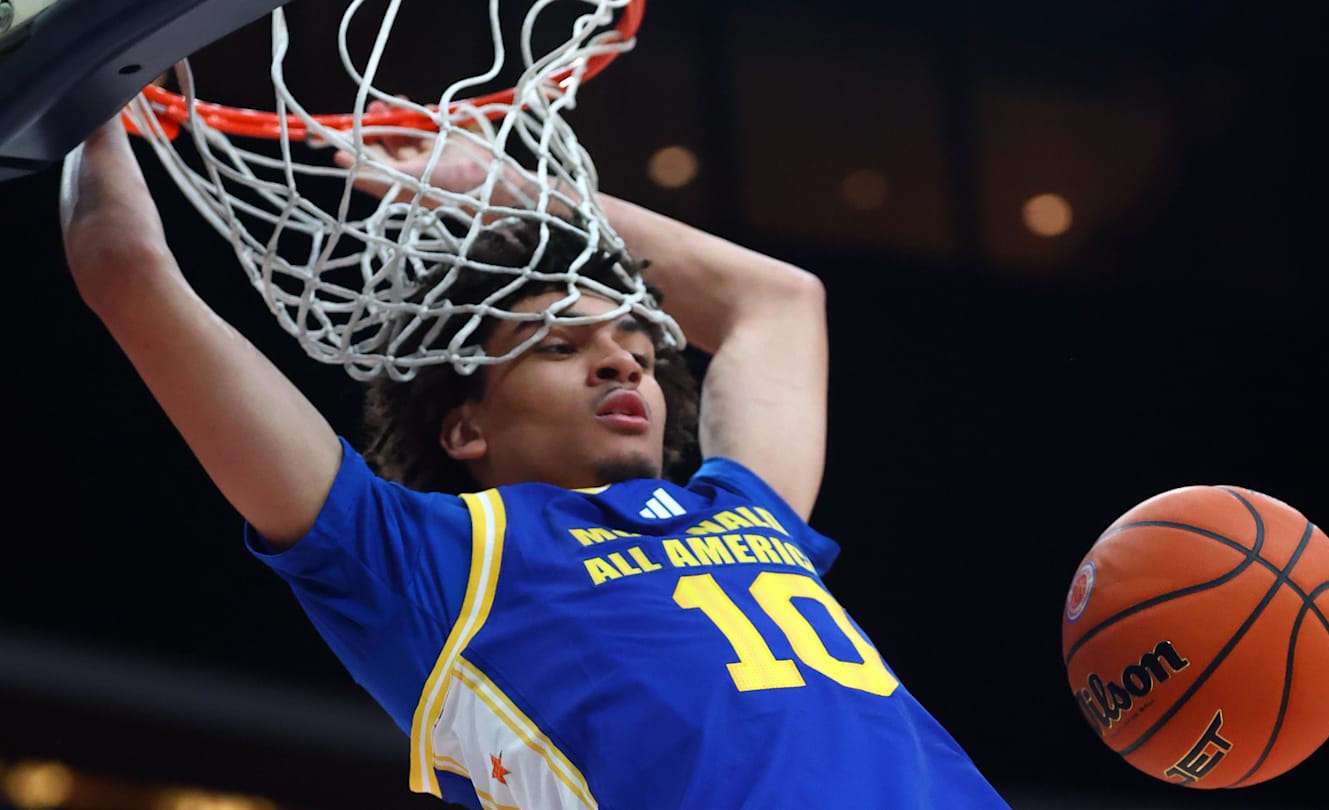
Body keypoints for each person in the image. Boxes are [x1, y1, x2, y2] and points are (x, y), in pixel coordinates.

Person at [59, 112, 1011, 809]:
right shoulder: (420, 560)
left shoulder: (745, 512)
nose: (617, 357)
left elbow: (780, 301)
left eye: (637, 351)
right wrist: (86, 94)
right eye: (558, 346)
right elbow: (126, 271)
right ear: (464, 427)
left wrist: (502, 188)